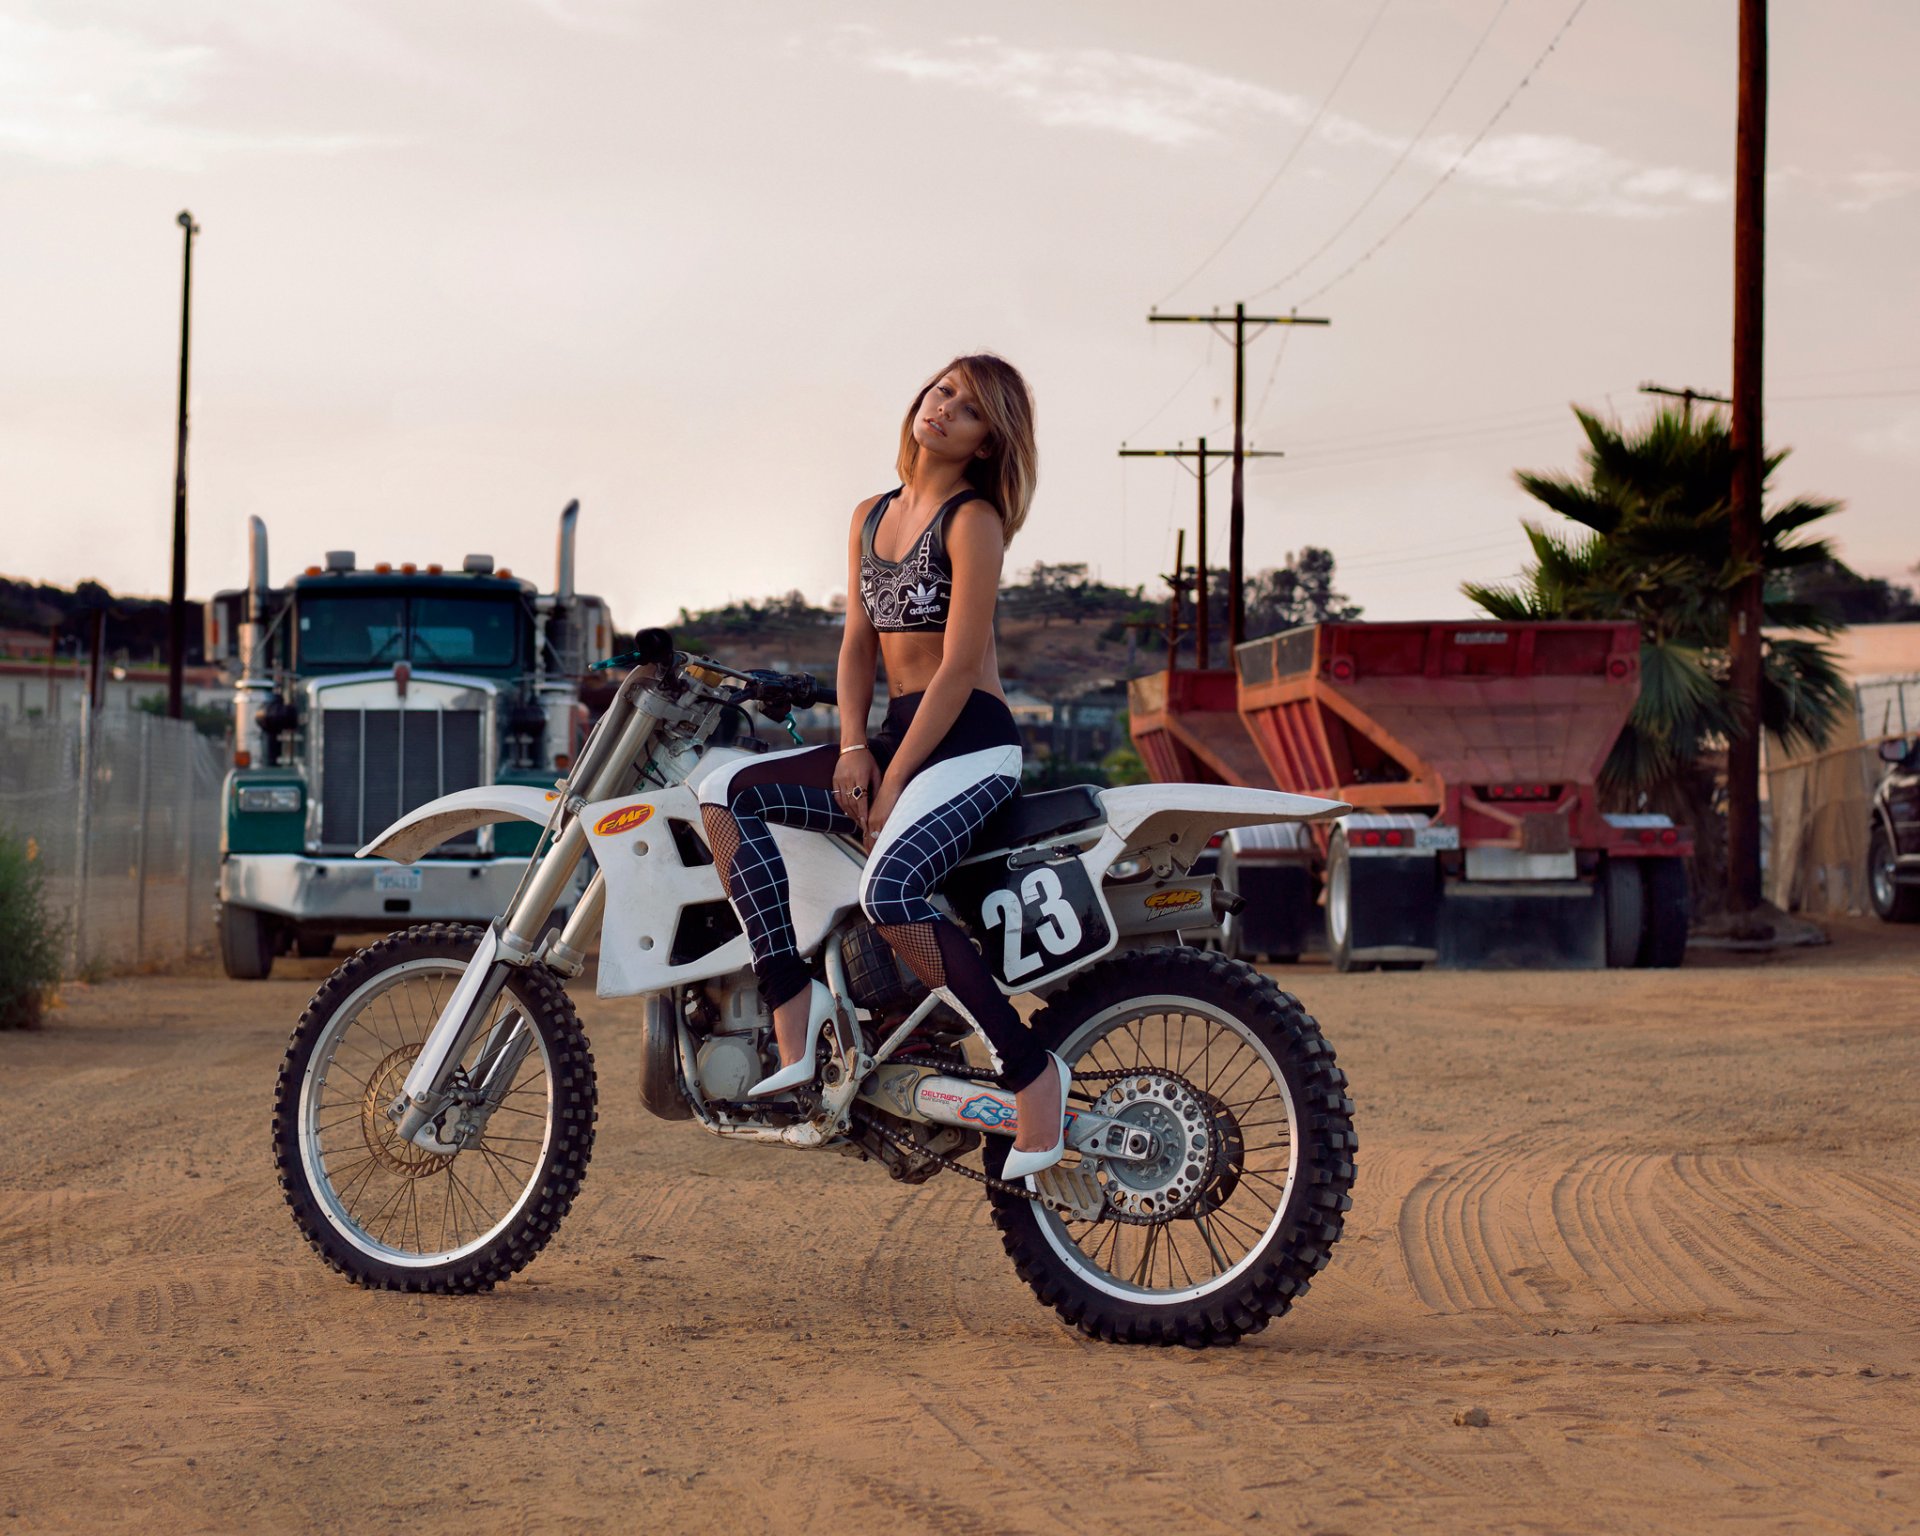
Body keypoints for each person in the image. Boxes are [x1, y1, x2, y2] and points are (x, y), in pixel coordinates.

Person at [695, 354, 1069, 1177]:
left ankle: (1032, 1070)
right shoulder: (871, 514)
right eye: (940, 393)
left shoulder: (974, 521)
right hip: (895, 738)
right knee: (723, 793)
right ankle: (796, 1008)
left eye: (966, 411)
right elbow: (858, 644)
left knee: (890, 890)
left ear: (984, 443)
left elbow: (960, 666)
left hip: (969, 744)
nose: (941, 411)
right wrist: (857, 748)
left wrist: (894, 781)